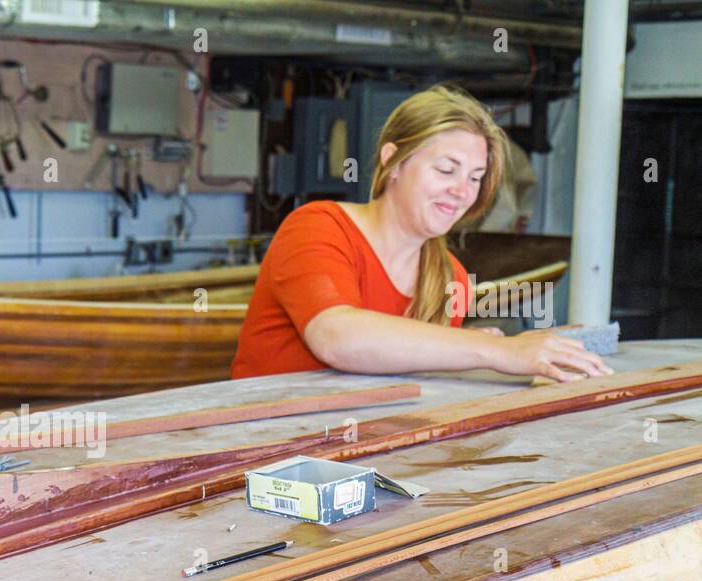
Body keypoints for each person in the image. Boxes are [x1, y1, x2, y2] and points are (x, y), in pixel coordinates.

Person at [231, 85, 610, 384]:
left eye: (475, 178)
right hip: (272, 463)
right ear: (393, 162)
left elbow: (419, 380)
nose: (462, 191)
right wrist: (493, 350)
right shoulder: (318, 227)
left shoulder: (449, 277)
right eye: (446, 170)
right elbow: (337, 337)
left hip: (364, 455)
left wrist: (521, 353)